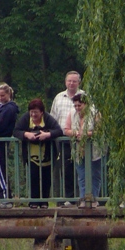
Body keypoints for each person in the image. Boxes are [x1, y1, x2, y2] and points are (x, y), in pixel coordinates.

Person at [13, 98, 63, 208]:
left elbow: (59, 130)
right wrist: (26, 134)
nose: (33, 114)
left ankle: (44, 202)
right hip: (31, 155)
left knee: (46, 178)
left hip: (48, 155)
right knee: (33, 177)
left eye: (36, 112)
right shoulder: (26, 118)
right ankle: (33, 202)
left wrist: (47, 134)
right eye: (31, 112)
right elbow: (16, 131)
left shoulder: (48, 118)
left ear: (41, 112)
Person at [50, 71, 85, 202]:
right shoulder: (59, 97)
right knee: (66, 169)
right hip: (64, 140)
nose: (71, 83)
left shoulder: (84, 96)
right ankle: (68, 197)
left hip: (81, 139)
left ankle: (83, 196)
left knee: (82, 169)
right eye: (69, 81)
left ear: (79, 83)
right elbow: (53, 117)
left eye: (74, 81)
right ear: (65, 82)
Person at [64, 93, 103, 208]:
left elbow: (99, 131)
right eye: (75, 105)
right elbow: (66, 129)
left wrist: (87, 134)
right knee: (81, 175)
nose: (77, 108)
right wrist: (75, 133)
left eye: (79, 105)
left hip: (94, 149)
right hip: (78, 150)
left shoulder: (95, 113)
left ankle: (94, 198)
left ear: (86, 104)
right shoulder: (72, 114)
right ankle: (83, 198)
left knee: (95, 174)